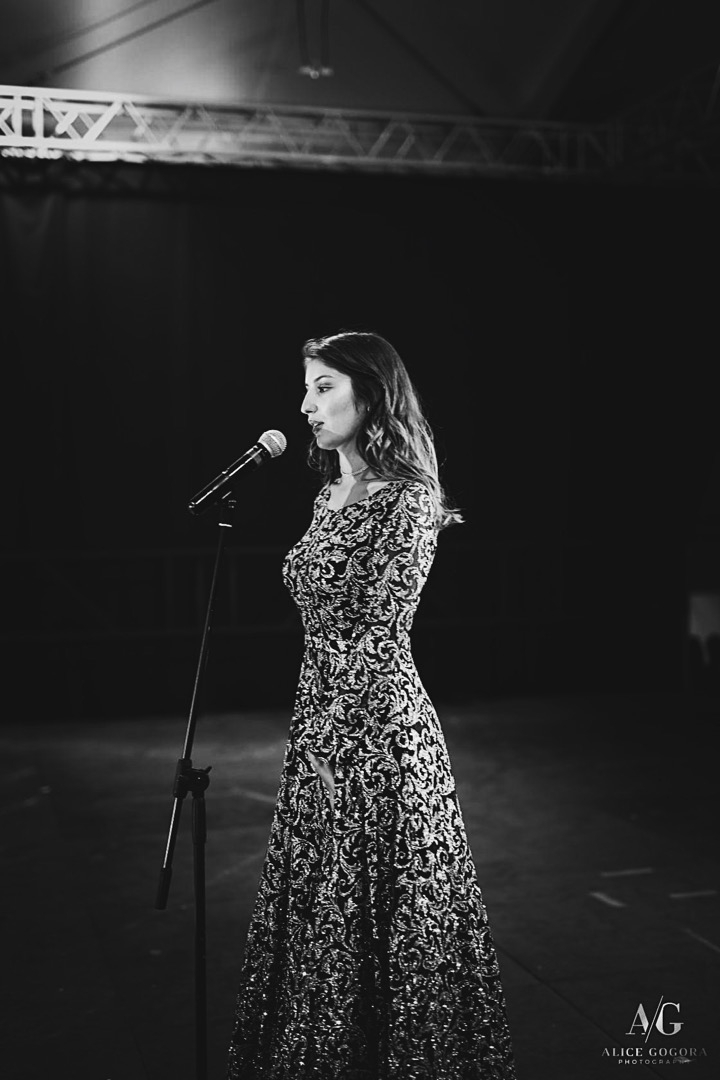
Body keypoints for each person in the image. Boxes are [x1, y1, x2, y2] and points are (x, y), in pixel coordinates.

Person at [227, 331, 516, 1079]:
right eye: (306, 387)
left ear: (373, 395)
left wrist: (338, 742)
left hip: (379, 731)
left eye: (324, 387)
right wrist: (317, 741)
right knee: (322, 910)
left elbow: (378, 623)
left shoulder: (409, 500)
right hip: (318, 725)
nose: (306, 404)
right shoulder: (325, 496)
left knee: (386, 908)